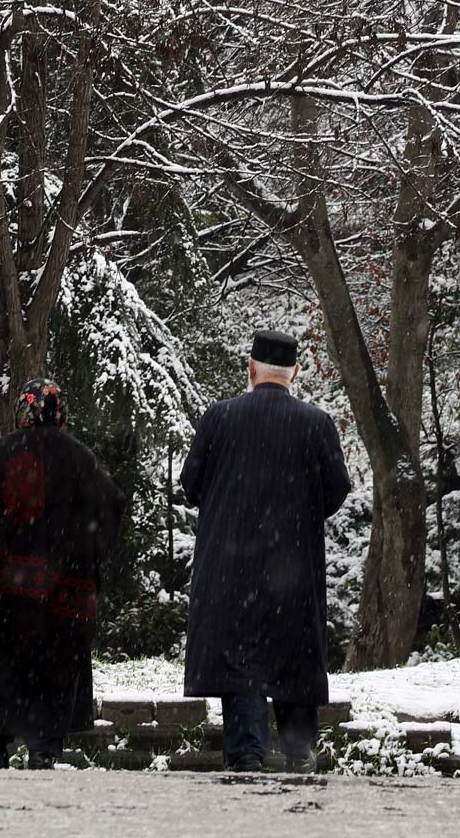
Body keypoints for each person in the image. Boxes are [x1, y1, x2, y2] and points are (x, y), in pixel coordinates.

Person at [0, 377, 125, 770]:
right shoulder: (79, 458)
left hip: (0, 599)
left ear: (24, 409)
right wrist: (79, 547)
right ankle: (44, 750)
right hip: (59, 600)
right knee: (52, 669)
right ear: (59, 412)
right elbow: (111, 504)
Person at [180, 329, 351, 773]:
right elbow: (336, 491)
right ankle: (298, 749)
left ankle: (247, 752)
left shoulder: (219, 418)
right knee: (293, 654)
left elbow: (190, 485)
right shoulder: (316, 424)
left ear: (251, 369)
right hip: (292, 566)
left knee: (241, 662)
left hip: (229, 564)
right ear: (294, 372)